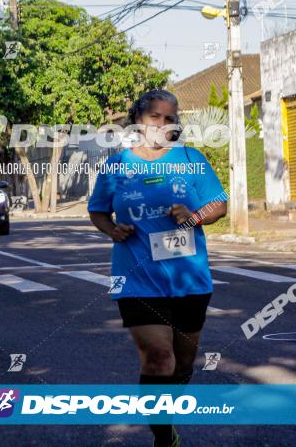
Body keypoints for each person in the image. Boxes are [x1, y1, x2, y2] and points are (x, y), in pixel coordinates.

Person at [88, 89, 227, 447]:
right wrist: (111, 229)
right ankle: (164, 438)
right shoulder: (117, 166)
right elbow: (98, 210)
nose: (162, 125)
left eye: (170, 118)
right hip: (136, 279)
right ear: (139, 120)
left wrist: (192, 215)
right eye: (155, 117)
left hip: (189, 279)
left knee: (182, 366)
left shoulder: (191, 160)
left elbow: (219, 205)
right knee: (158, 357)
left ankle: (163, 413)